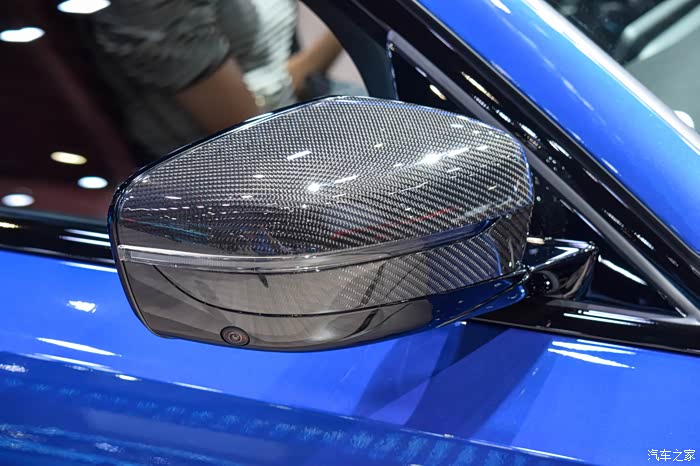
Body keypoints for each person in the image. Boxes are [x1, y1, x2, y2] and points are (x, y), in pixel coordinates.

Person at [90, 0, 351, 158]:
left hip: (298, 108)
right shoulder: (147, 9)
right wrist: (352, 26)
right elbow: (252, 136)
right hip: (234, 177)